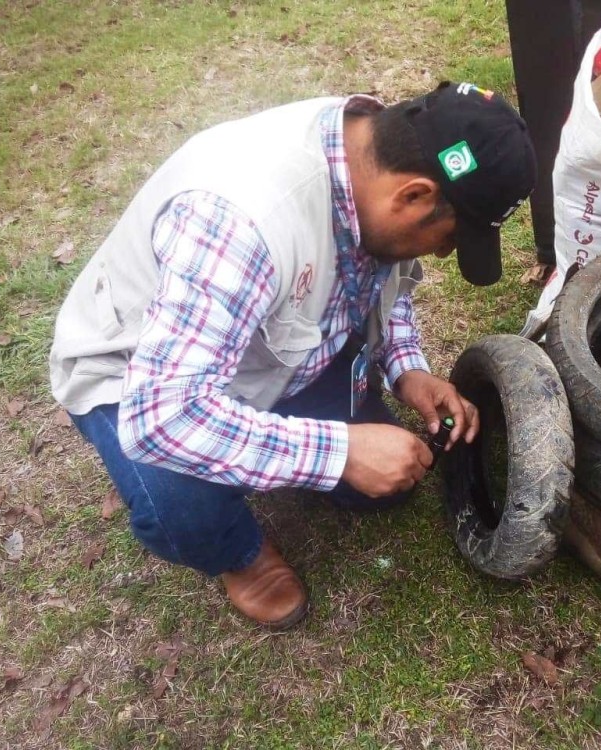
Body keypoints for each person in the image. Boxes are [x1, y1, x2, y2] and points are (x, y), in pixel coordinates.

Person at [49, 81, 537, 629]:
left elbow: (382, 269)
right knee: (181, 508)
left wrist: (407, 368)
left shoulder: (371, 150)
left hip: (270, 347)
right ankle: (237, 554)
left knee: (380, 494)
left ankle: (289, 437)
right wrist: (338, 452)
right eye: (450, 237)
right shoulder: (237, 221)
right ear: (415, 197)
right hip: (139, 378)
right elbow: (163, 418)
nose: (445, 252)